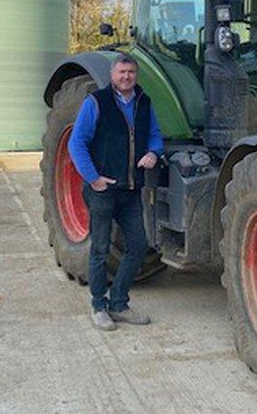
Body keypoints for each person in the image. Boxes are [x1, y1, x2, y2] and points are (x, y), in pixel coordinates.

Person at [68, 53, 164, 331]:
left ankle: (119, 303)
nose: (126, 77)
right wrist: (93, 178)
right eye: (121, 72)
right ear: (112, 74)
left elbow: (155, 134)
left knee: (137, 246)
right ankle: (99, 306)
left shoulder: (144, 102)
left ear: (136, 75)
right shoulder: (96, 102)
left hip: (131, 190)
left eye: (131, 72)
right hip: (104, 191)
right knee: (100, 249)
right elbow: (77, 143)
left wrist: (153, 153)